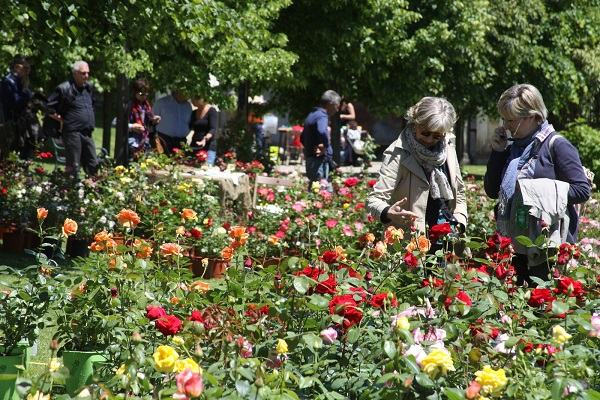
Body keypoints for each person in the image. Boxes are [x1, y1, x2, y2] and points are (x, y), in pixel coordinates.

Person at [484, 83, 590, 285]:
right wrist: (497, 152)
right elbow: (491, 191)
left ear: (531, 116)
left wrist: (532, 192)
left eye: (511, 120)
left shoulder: (557, 145)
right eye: (504, 120)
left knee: (540, 303)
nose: (505, 126)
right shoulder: (513, 147)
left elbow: (582, 190)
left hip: (544, 244)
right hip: (512, 240)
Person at [366, 97, 467, 251]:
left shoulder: (448, 148)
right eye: (425, 132)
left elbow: (459, 192)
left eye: (436, 136)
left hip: (447, 239)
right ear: (415, 123)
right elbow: (374, 200)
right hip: (412, 244)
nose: (429, 140)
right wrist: (389, 212)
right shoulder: (397, 154)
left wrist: (460, 221)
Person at [47, 60, 98, 178]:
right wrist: (60, 119)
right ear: (74, 73)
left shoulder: (89, 88)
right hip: (72, 132)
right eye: (83, 73)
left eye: (87, 73)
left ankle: (94, 191)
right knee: (73, 166)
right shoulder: (64, 88)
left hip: (87, 132)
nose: (86, 76)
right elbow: (48, 107)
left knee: (93, 164)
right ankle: (71, 192)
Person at [300, 90, 341, 190]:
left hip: (311, 160)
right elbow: (322, 131)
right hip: (319, 162)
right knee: (320, 193)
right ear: (331, 104)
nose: (337, 109)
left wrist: (310, 147)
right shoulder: (322, 116)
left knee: (315, 190)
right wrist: (325, 146)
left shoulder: (312, 115)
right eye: (337, 106)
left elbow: (302, 137)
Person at [0, 54, 34, 159]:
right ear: (16, 67)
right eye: (25, 68)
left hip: (18, 126)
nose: (27, 72)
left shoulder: (17, 83)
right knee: (11, 158)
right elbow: (17, 105)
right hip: (9, 126)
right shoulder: (8, 83)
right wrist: (26, 91)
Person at [127, 78, 160, 159]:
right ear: (135, 92)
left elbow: (148, 125)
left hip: (145, 142)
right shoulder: (129, 105)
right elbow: (115, 122)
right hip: (132, 142)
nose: (144, 97)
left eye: (146, 94)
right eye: (141, 94)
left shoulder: (146, 106)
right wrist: (131, 126)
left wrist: (154, 120)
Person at [189, 97, 218, 166]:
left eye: (195, 99)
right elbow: (190, 128)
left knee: (206, 170)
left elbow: (213, 129)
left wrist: (205, 138)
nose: (192, 101)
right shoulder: (194, 113)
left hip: (207, 147)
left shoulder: (212, 111)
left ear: (202, 99)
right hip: (194, 146)